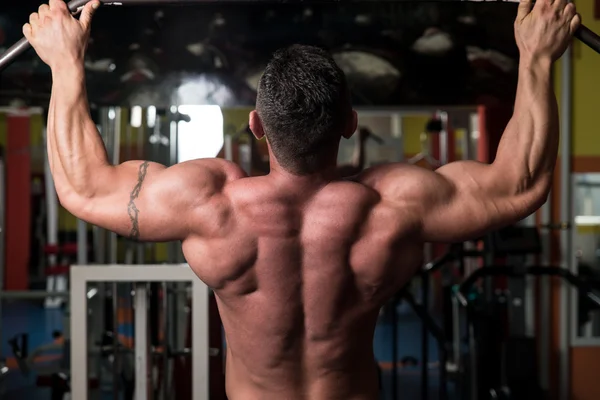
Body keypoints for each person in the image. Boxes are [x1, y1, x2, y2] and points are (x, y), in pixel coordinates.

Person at [24, 0, 579, 398]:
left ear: (257, 125)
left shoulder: (212, 208)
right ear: (350, 124)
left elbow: (83, 186)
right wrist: (535, 58)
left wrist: (64, 64)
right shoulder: (392, 206)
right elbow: (520, 182)